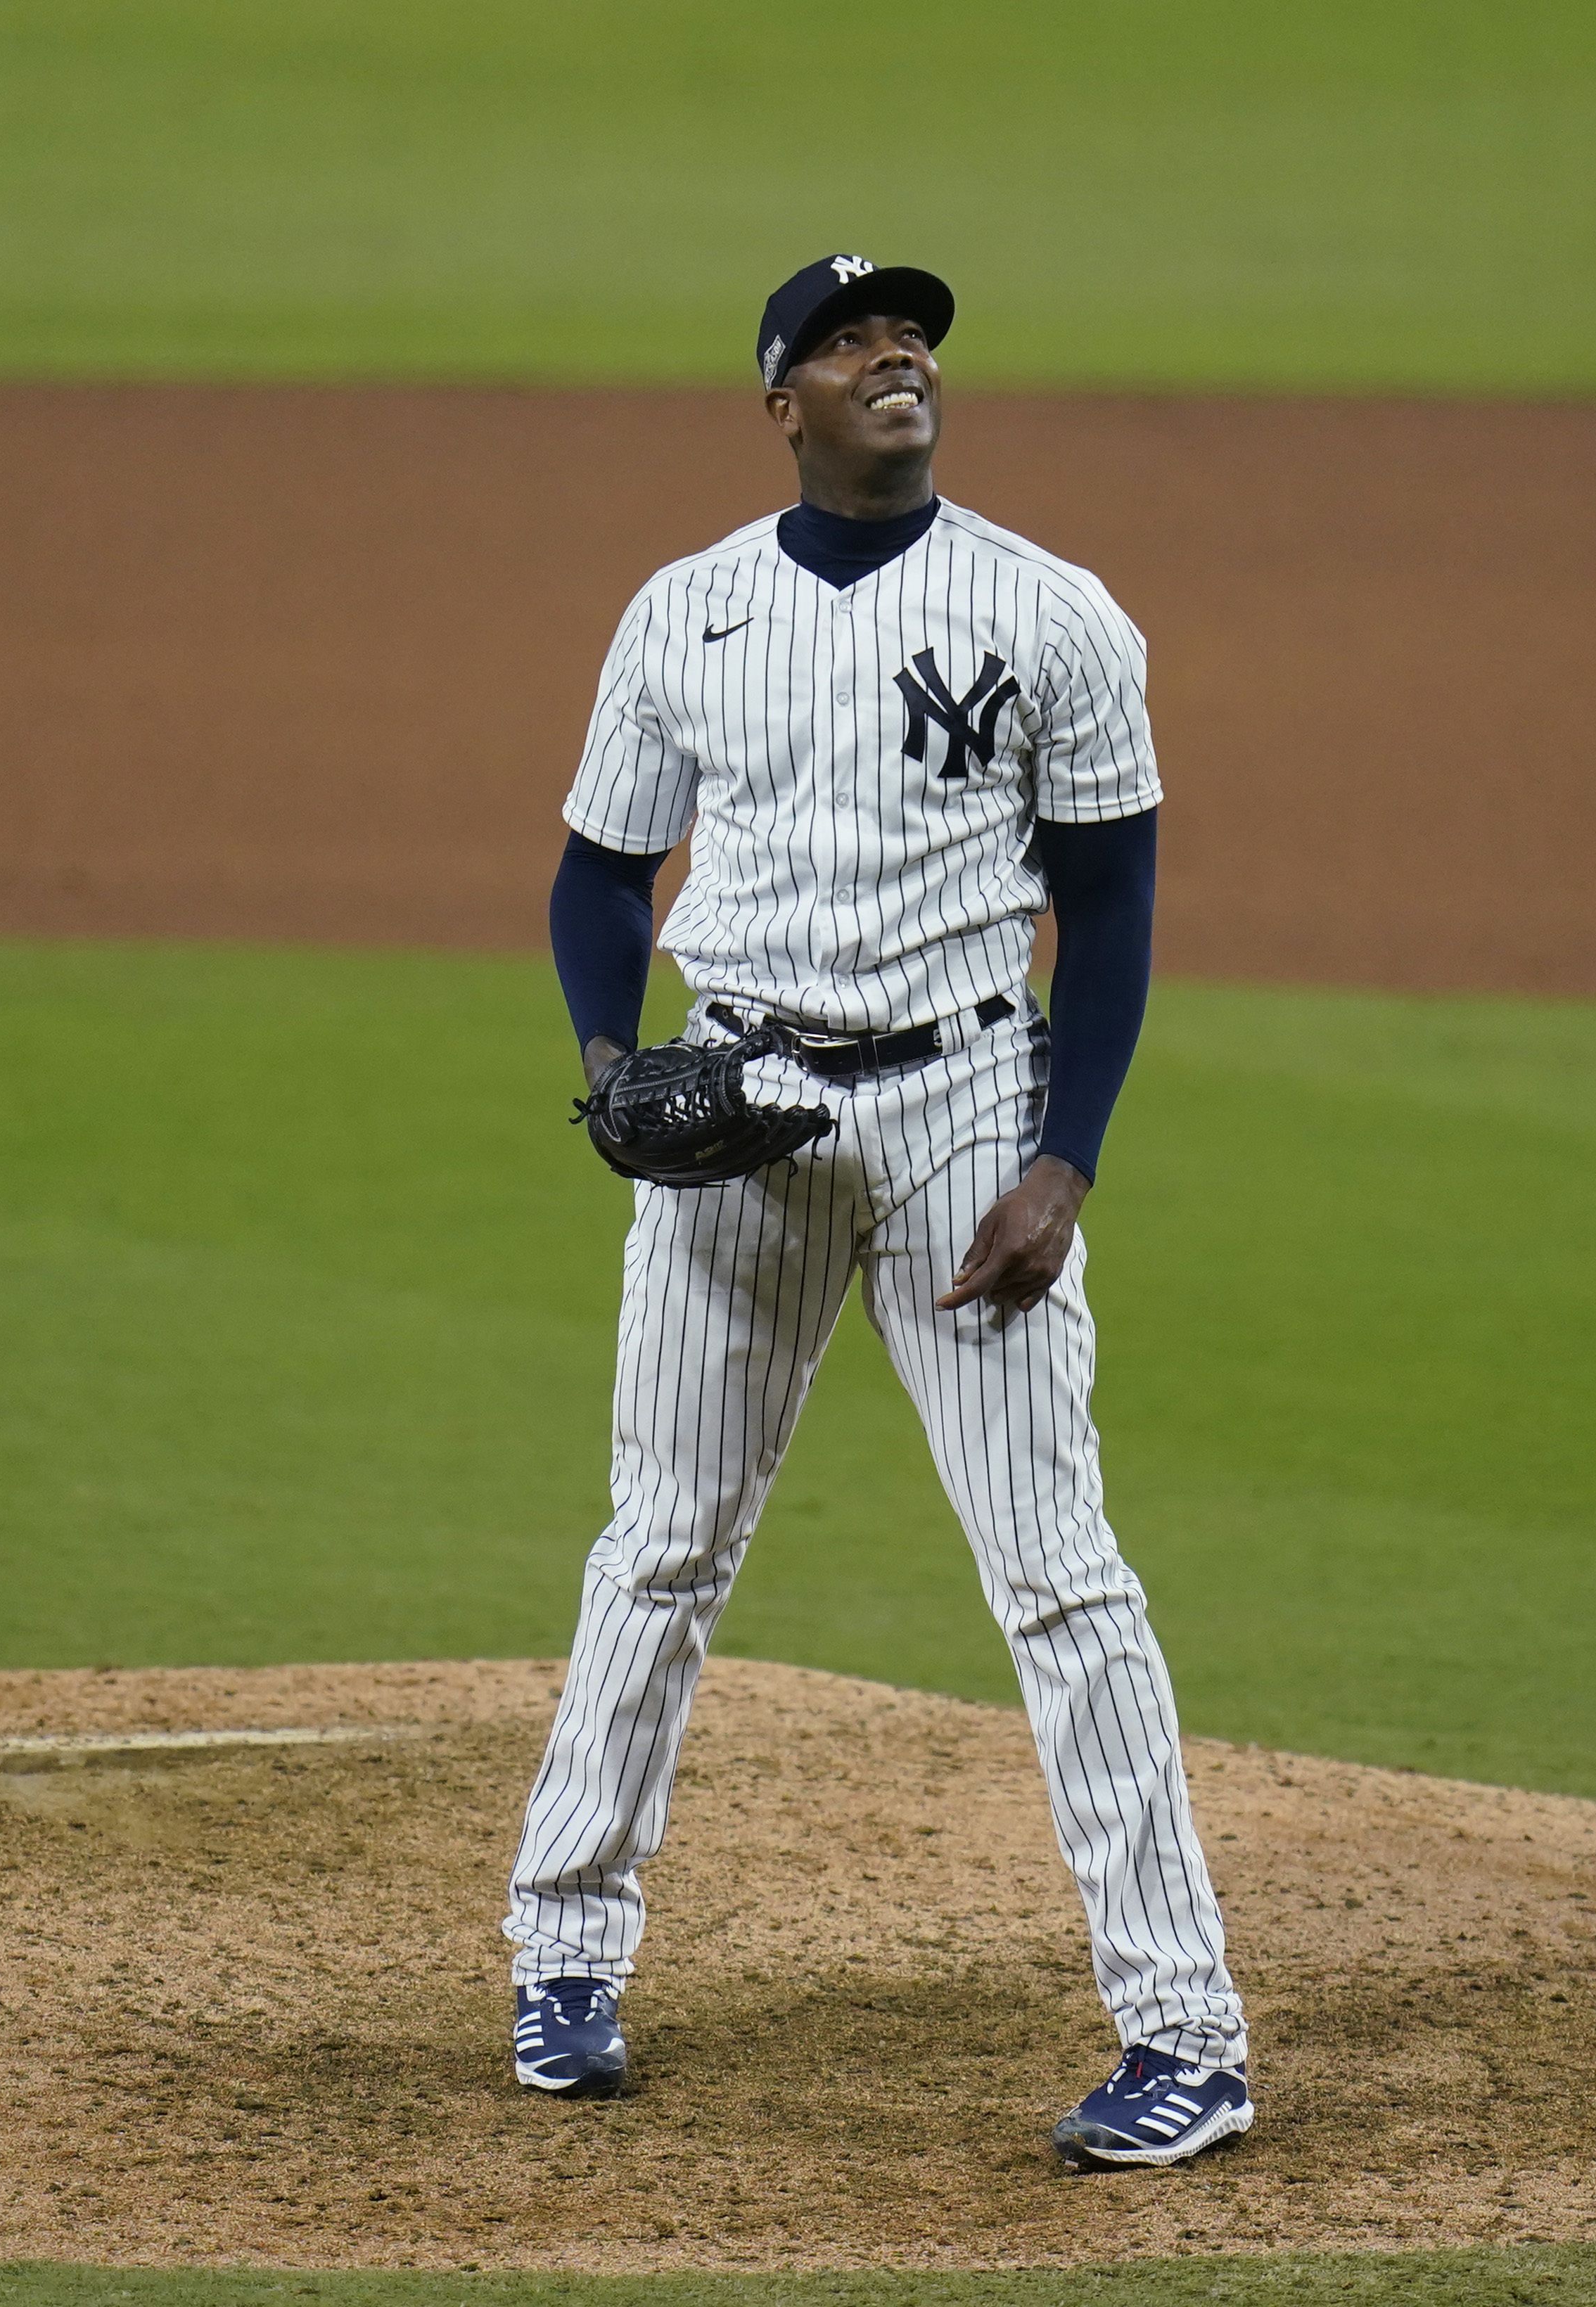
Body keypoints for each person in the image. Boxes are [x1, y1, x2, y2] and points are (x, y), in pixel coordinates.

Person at [499, 256, 1252, 2170]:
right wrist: (612, 1066)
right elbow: (599, 876)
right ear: (786, 403)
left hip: (965, 1104)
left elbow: (1119, 906)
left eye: (908, 335)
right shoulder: (689, 613)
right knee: (661, 1544)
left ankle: (1189, 2034)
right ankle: (562, 1961)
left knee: (1060, 1571)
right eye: (848, 343)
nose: (893, 356)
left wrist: (1063, 1157)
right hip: (737, 1097)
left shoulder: (1053, 613)